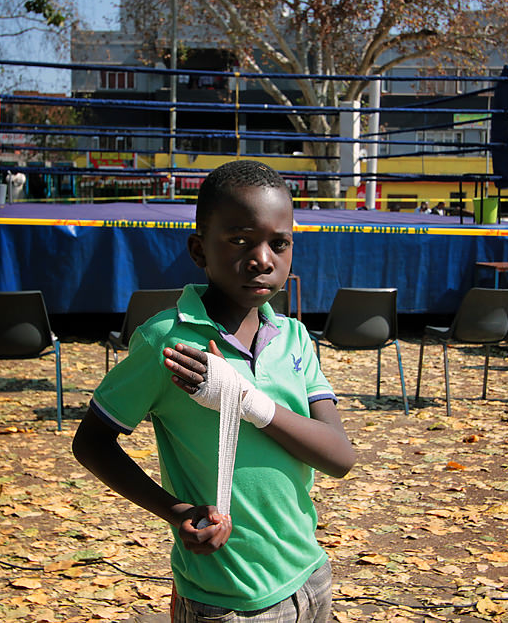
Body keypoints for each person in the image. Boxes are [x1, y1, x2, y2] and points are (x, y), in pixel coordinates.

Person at [71, 160, 355, 621]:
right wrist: (175, 511)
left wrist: (246, 400)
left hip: (310, 576)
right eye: (240, 240)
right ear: (199, 249)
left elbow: (339, 457)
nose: (263, 259)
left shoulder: (294, 338)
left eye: (279, 244)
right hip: (227, 599)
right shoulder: (168, 341)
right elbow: (91, 442)